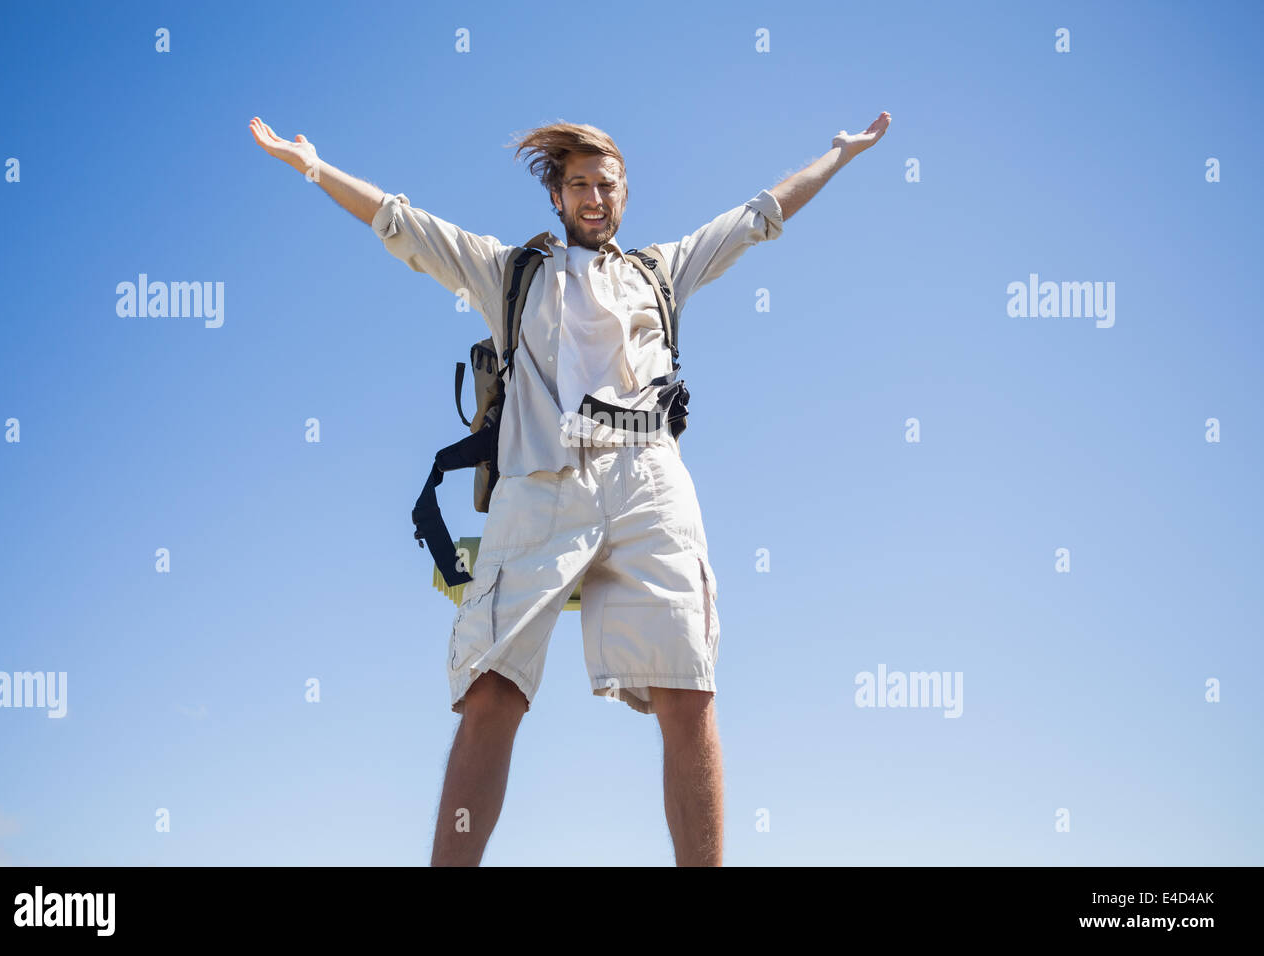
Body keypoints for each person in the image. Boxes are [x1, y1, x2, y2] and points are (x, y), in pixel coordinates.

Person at [249, 112, 890, 866]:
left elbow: (760, 216)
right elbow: (403, 224)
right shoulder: (510, 272)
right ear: (556, 195)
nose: (594, 196)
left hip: (650, 481)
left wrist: (839, 155)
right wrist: (314, 167)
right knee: (492, 691)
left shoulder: (662, 269)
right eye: (578, 183)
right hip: (539, 484)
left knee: (689, 688)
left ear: (624, 194)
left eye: (606, 184)